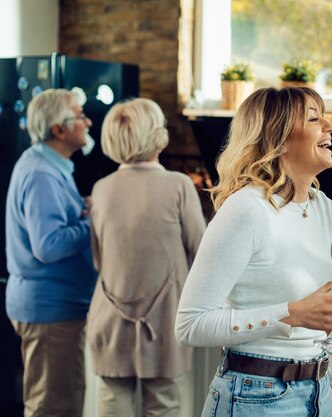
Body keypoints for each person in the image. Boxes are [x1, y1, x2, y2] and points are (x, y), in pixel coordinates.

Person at [175, 86, 332, 416]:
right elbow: (190, 325)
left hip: (317, 390)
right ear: (280, 139)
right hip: (255, 395)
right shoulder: (246, 210)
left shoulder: (320, 205)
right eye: (314, 118)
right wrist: (292, 313)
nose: (330, 126)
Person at [86, 98, 206, 417]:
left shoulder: (101, 189)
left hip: (110, 316)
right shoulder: (179, 185)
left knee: (112, 405)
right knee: (164, 406)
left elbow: (100, 260)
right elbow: (203, 253)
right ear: (156, 135)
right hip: (163, 318)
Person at [4, 88, 98, 417]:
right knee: (53, 407)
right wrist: (94, 222)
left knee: (61, 401)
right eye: (78, 115)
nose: (87, 121)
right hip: (51, 310)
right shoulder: (42, 173)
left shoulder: (47, 163)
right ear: (58, 129)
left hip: (53, 306)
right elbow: (48, 245)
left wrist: (81, 211)